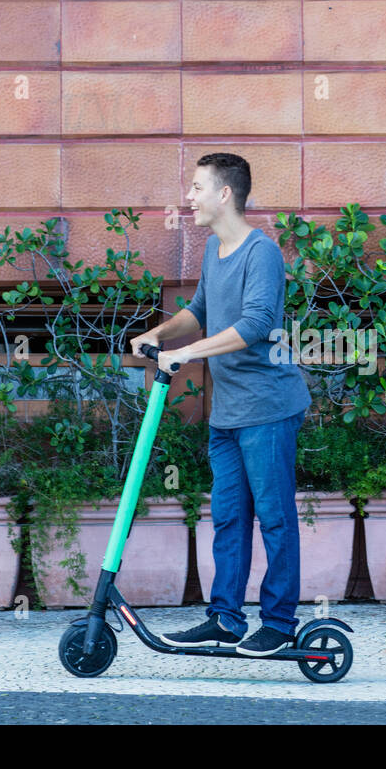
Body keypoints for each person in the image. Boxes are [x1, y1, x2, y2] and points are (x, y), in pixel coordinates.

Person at [131, 152, 312, 657]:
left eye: (196, 187)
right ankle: (225, 618)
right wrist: (159, 333)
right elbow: (200, 311)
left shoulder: (262, 253)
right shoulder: (215, 249)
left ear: (224, 194)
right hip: (229, 413)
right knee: (230, 518)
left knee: (274, 517)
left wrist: (184, 354)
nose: (189, 197)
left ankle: (279, 623)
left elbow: (255, 324)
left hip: (270, 409)